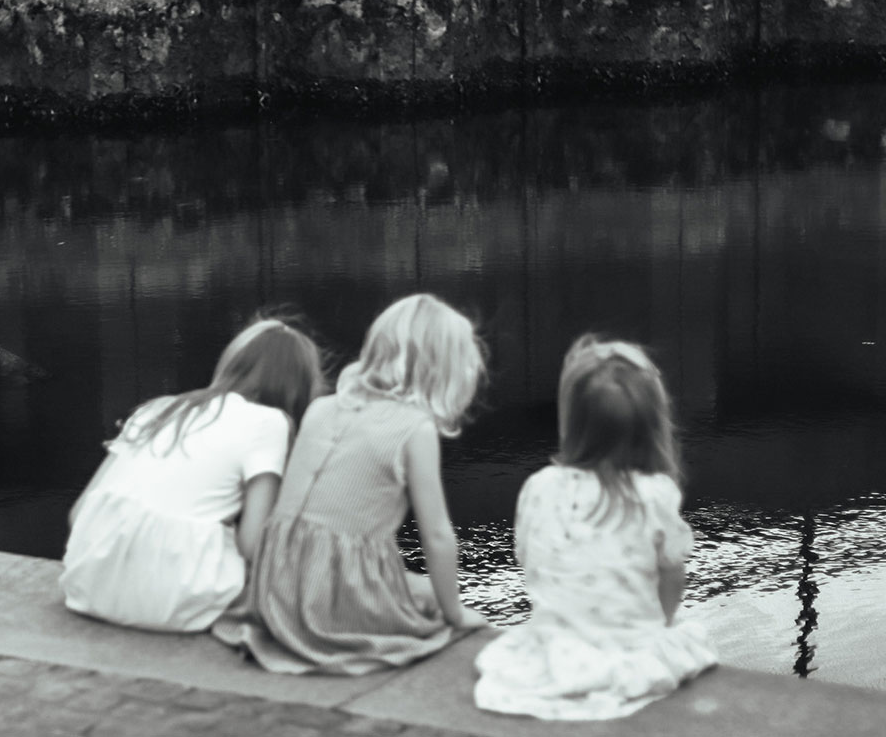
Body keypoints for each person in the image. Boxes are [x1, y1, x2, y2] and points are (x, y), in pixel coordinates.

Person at [212, 293, 488, 674]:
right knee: (429, 596)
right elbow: (437, 536)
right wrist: (455, 614)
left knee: (412, 584)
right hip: (335, 596)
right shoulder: (414, 429)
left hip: (275, 582)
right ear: (446, 370)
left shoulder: (321, 408)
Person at [473, 335, 717, 720]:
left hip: (555, 646)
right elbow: (672, 580)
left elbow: (528, 558)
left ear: (571, 421)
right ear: (653, 425)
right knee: (689, 634)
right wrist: (662, 628)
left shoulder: (539, 486)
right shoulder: (654, 494)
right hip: (625, 648)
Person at [59, 318, 327, 632]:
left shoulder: (158, 408)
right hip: (176, 598)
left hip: (88, 583)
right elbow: (253, 544)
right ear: (298, 386)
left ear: (230, 365)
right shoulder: (270, 423)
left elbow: (79, 514)